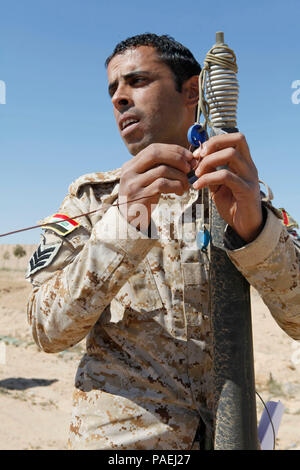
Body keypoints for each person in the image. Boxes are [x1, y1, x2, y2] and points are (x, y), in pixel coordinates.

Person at [26, 33, 300, 450]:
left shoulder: (239, 196)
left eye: (136, 81)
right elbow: (47, 331)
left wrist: (256, 231)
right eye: (113, 89)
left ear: (191, 91)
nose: (119, 98)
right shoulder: (93, 199)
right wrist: (124, 224)